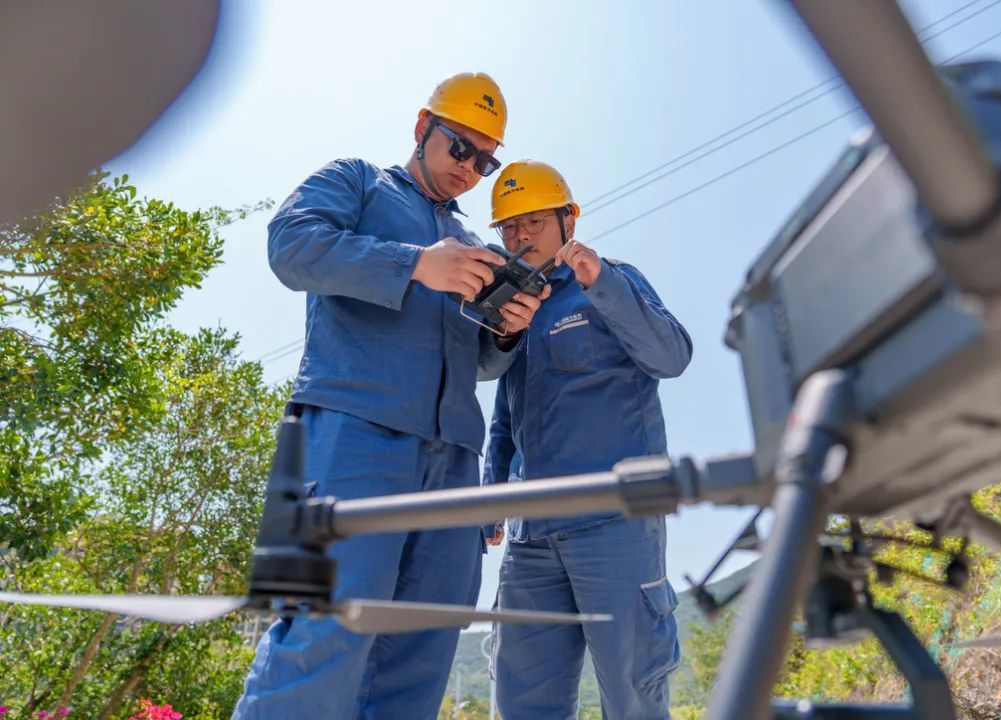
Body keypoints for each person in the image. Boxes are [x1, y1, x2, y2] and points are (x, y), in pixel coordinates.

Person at [233, 72, 548, 720]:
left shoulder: (477, 250)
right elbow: (289, 245)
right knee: (327, 628)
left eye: (485, 161)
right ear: (420, 127)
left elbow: (478, 362)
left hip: (455, 460)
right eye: (461, 147)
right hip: (353, 435)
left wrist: (508, 332)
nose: (471, 168)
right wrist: (413, 263)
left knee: (422, 648)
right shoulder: (358, 182)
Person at [482, 160, 692, 719]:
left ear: (568, 220)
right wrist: (490, 496)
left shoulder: (611, 281)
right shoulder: (513, 311)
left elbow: (672, 357)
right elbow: (506, 419)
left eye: (533, 221)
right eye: (508, 227)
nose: (519, 236)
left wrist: (603, 283)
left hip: (614, 525)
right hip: (530, 542)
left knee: (633, 694)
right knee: (520, 699)